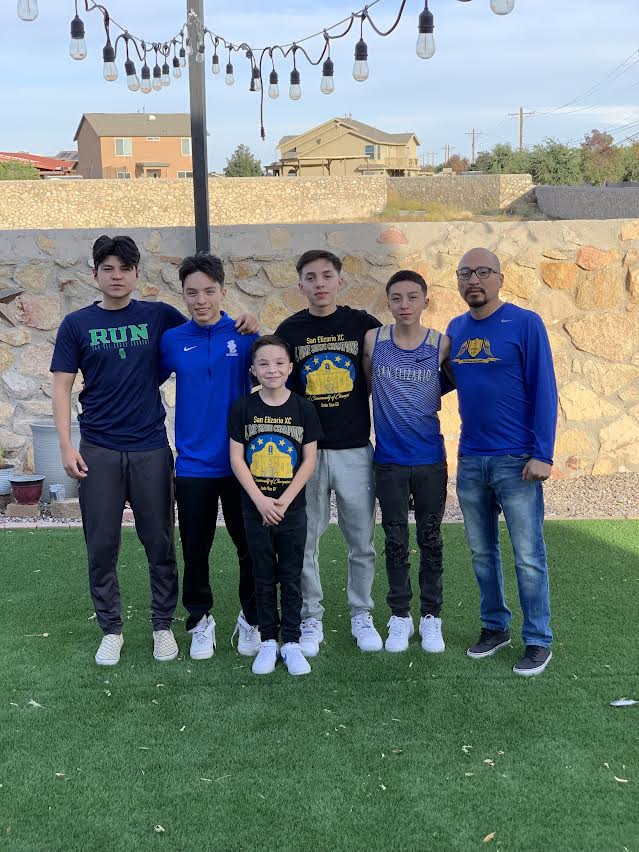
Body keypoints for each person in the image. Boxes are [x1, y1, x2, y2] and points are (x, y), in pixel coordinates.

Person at [51, 235, 256, 667]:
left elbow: (206, 328)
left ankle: (163, 626)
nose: (117, 276)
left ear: (137, 274)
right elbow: (62, 385)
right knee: (101, 545)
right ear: (94, 274)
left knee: (160, 543)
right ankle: (111, 630)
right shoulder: (76, 324)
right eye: (108, 269)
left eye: (125, 269)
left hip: (150, 447)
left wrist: (248, 322)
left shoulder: (159, 316)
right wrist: (66, 445)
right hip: (98, 448)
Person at [447, 247, 557, 677]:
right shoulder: (455, 329)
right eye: (465, 273)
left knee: (528, 555)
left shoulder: (526, 323)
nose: (473, 280)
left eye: (482, 272)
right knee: (481, 553)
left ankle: (538, 639)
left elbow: (544, 387)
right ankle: (495, 627)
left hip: (517, 461)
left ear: (500, 278)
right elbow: (442, 380)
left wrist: (543, 453)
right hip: (471, 459)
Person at [276, 250, 383, 657]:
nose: (319, 283)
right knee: (305, 542)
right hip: (307, 453)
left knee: (362, 540)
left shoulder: (363, 325)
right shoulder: (290, 330)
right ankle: (311, 617)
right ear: (300, 285)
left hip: (354, 449)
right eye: (310, 277)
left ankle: (362, 613)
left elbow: (386, 366)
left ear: (340, 280)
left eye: (326, 275)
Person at [159, 253, 261, 662]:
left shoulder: (245, 335)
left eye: (208, 291)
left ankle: (251, 618)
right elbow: (143, 381)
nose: (200, 300)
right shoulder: (172, 340)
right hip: (193, 466)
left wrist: (257, 324)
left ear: (223, 291)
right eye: (192, 293)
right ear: (183, 295)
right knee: (195, 548)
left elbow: (275, 375)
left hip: (240, 463)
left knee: (249, 546)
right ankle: (200, 621)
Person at [363, 270, 449, 654]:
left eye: (413, 297)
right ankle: (400, 615)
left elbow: (453, 382)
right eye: (396, 298)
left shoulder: (441, 343)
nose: (405, 305)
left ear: (426, 301)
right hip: (390, 461)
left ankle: (431, 616)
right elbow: (367, 384)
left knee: (430, 539)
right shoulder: (374, 340)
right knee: (395, 539)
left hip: (430, 459)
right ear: (388, 302)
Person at [229, 336, 322, 676]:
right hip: (256, 508)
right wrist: (260, 500)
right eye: (264, 364)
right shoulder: (242, 408)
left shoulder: (303, 408)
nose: (272, 370)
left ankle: (291, 641)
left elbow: (309, 460)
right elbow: (237, 459)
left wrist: (284, 499)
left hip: (291, 509)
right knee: (263, 574)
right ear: (253, 370)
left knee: (291, 575)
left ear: (290, 367)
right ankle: (268, 640)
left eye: (280, 363)